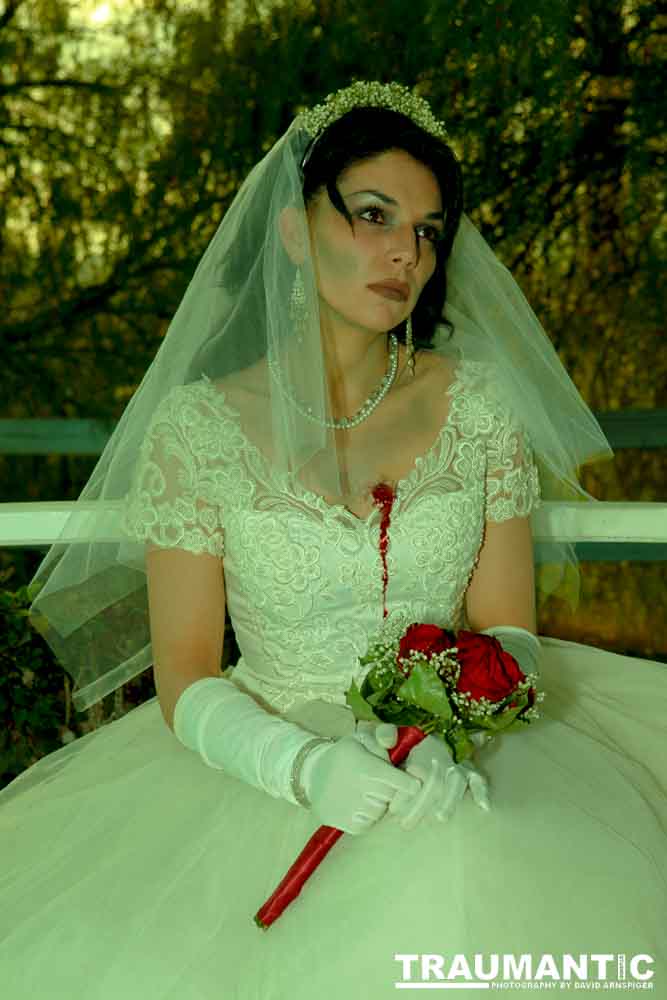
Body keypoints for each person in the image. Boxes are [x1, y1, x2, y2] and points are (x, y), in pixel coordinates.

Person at [1, 81, 665, 999]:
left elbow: (509, 626)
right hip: (259, 756)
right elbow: (185, 667)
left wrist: (444, 729)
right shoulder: (198, 427)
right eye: (371, 215)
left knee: (478, 878)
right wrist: (300, 766)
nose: (404, 252)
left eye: (427, 231)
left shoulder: (476, 406)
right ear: (290, 228)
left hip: (454, 760)